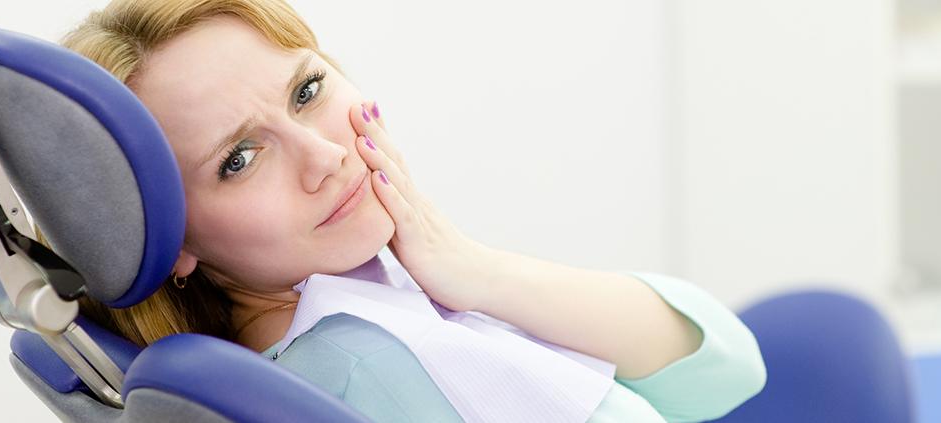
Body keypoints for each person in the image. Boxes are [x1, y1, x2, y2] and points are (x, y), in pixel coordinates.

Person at [60, 0, 766, 421]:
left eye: (306, 90)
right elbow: (721, 378)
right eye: (239, 159)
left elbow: (726, 364)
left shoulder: (366, 288)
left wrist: (470, 268)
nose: (324, 156)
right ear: (170, 237)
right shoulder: (358, 366)